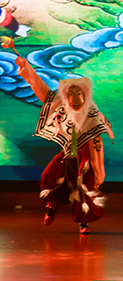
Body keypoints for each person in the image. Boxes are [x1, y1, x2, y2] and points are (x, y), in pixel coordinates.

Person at [15, 55, 113, 235]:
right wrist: (25, 67)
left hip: (84, 158)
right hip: (67, 154)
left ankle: (83, 223)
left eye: (79, 94)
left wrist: (99, 172)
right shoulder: (60, 106)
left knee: (84, 189)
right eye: (71, 94)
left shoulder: (91, 117)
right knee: (48, 176)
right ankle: (52, 206)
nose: (75, 98)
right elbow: (40, 87)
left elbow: (96, 146)